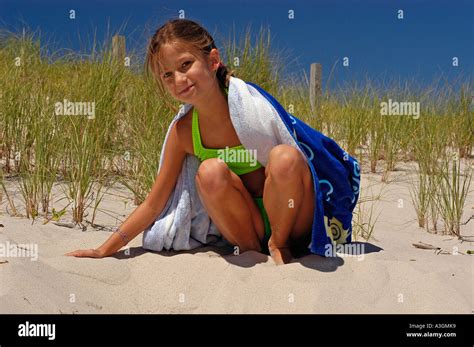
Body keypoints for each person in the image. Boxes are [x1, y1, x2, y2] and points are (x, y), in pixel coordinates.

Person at [66, 18, 315, 265]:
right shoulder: (184, 132)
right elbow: (154, 203)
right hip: (248, 224)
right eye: (167, 74)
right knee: (210, 172)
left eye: (185, 64)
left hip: (292, 216)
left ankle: (280, 245)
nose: (179, 79)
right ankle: (251, 250)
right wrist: (105, 249)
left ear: (213, 61)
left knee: (285, 157)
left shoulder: (252, 108)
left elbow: (302, 161)